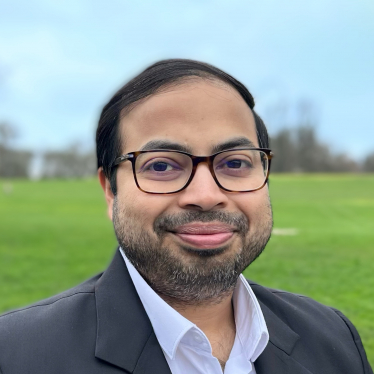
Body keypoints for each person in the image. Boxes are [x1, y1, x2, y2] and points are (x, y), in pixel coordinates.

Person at [0, 59, 372, 374]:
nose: (206, 196)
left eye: (236, 163)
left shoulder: (334, 340)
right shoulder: (17, 355)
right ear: (110, 191)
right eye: (161, 165)